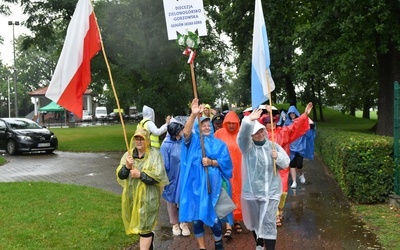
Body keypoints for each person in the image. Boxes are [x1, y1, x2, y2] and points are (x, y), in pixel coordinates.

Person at [179, 98, 233, 250]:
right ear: (198, 127)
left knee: (215, 220)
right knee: (197, 220)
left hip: (213, 188)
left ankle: (218, 243)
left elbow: (227, 164)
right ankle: (202, 247)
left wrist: (211, 162)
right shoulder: (194, 142)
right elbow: (186, 132)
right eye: (203, 125)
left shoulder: (219, 144)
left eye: (209, 125)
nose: (207, 127)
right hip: (196, 188)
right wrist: (193, 114)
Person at [237, 107, 290, 250]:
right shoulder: (247, 148)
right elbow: (241, 137)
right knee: (255, 221)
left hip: (271, 192)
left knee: (268, 222)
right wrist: (248, 121)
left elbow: (286, 163)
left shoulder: (273, 146)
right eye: (256, 133)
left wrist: (277, 157)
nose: (260, 134)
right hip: (252, 192)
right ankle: (259, 242)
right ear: (251, 135)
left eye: (261, 131)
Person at [116, 128, 169, 250]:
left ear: (147, 140)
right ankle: (150, 243)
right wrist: (127, 167)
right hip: (132, 197)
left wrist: (140, 175)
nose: (139, 141)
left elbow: (159, 177)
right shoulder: (128, 155)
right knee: (142, 228)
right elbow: (120, 175)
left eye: (141, 139)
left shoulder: (154, 155)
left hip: (149, 198)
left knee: (145, 227)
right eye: (136, 138)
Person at [263, 103, 313, 227]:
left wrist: (305, 114)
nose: (272, 124)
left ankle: (280, 210)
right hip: (267, 171)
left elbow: (295, 126)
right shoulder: (260, 135)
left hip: (281, 169)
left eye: (274, 121)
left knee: (282, 192)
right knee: (270, 192)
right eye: (269, 122)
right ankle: (274, 215)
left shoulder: (282, 132)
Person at [160, 118, 191, 237]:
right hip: (172, 177)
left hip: (184, 176)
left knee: (184, 198)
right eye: (180, 129)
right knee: (172, 200)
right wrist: (165, 180)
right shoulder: (166, 146)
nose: (183, 130)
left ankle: (184, 222)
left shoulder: (184, 142)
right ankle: (175, 224)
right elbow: (164, 164)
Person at [214, 111, 243, 239]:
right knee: (226, 195)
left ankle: (237, 221)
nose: (231, 125)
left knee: (238, 195)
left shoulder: (242, 134)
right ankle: (228, 226)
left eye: (234, 123)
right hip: (224, 171)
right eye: (229, 123)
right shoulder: (219, 134)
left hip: (239, 171)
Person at [284, 105, 316, 189]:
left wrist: (311, 125)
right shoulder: (287, 123)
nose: (292, 114)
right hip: (291, 147)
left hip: (300, 146)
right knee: (292, 164)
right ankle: (294, 181)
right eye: (290, 113)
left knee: (299, 164)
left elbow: (308, 130)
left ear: (296, 113)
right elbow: (284, 134)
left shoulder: (301, 122)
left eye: (293, 113)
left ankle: (301, 174)